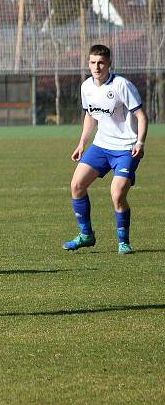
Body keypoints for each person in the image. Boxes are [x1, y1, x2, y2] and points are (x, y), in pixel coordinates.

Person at [62, 44, 148, 255]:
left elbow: (141, 116)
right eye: (93, 62)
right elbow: (91, 115)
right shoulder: (86, 87)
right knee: (77, 185)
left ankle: (123, 242)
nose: (97, 67)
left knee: (117, 194)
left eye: (101, 62)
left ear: (109, 63)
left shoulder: (121, 85)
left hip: (126, 148)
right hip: (101, 145)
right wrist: (82, 142)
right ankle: (86, 235)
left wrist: (140, 142)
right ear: (88, 64)